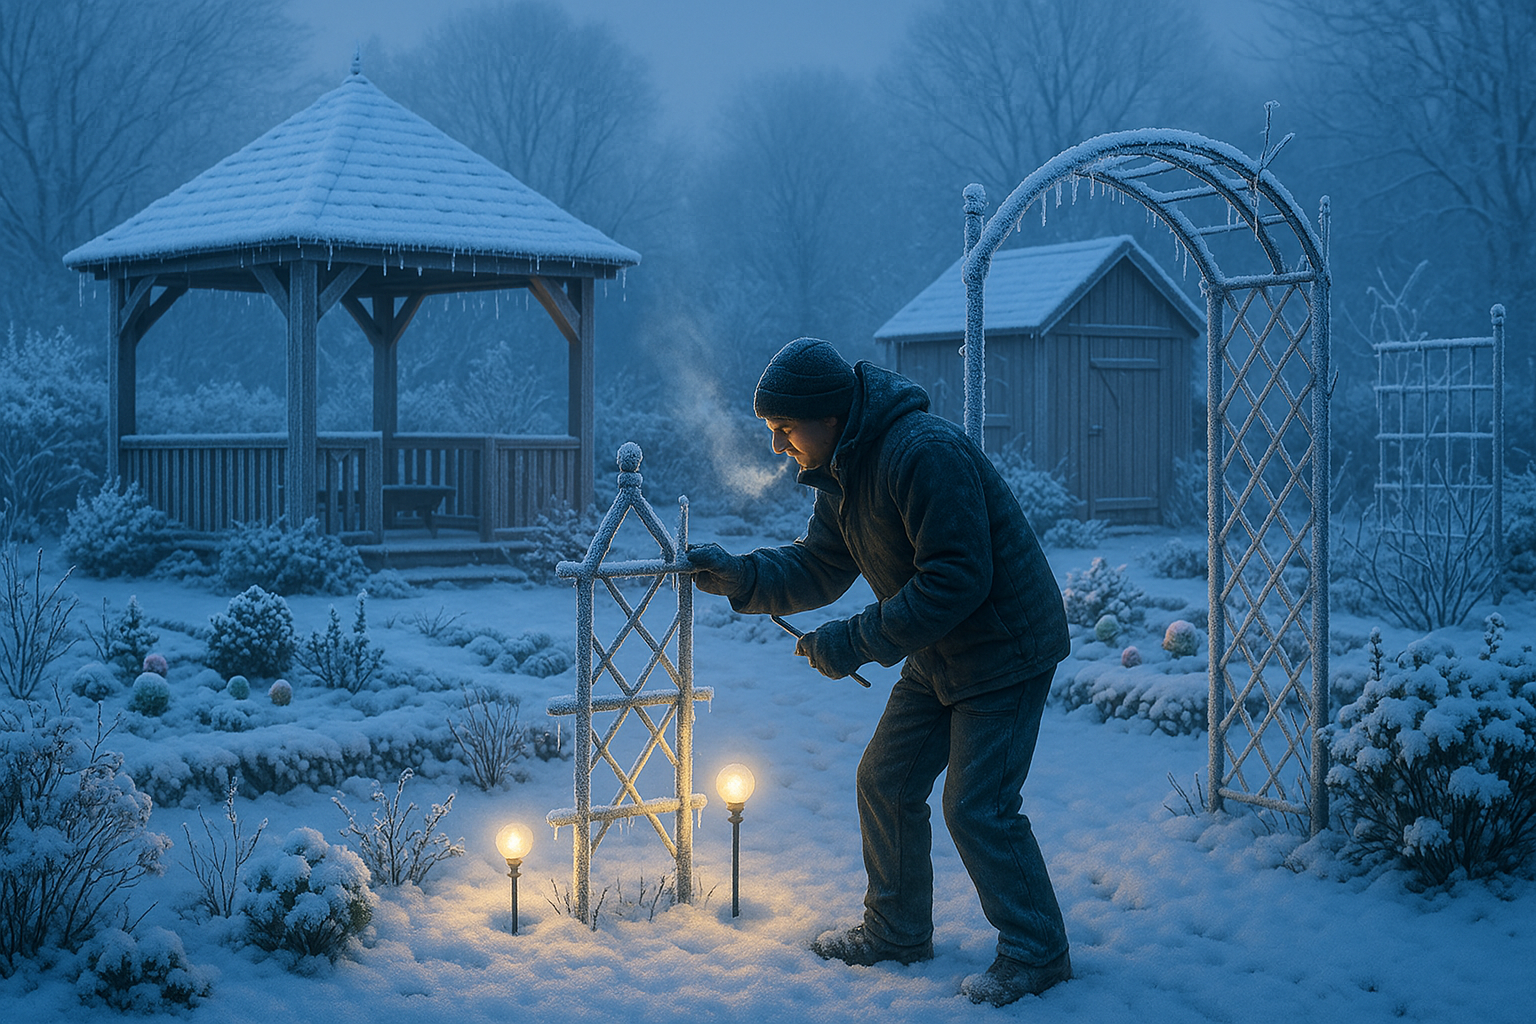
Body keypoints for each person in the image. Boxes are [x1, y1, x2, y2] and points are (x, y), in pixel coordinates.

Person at [686, 337, 1073, 1006]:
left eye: (784, 428)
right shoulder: (845, 468)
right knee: (885, 781)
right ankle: (897, 933)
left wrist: (854, 640)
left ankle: (1038, 954)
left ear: (829, 414)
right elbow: (820, 564)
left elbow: (957, 579)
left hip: (1004, 650)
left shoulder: (923, 452)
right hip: (938, 652)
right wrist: (741, 577)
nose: (776, 446)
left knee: (978, 807)